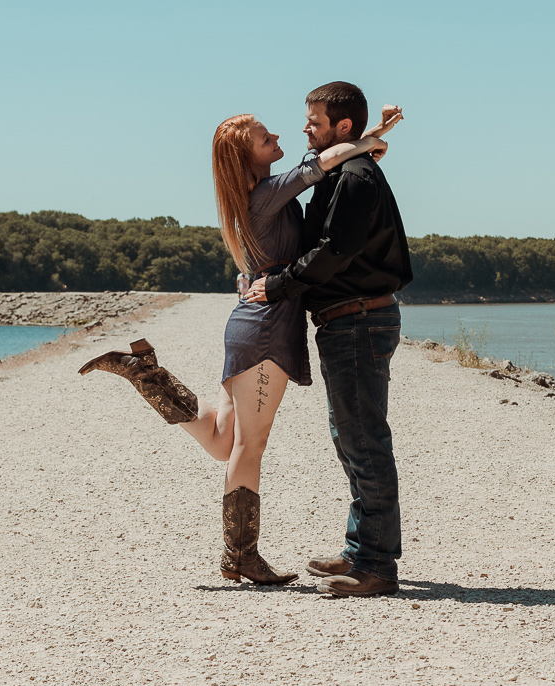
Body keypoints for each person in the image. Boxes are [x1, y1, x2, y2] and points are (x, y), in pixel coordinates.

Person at [80, 100, 402, 585]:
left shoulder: (258, 196)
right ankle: (241, 556)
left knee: (223, 440)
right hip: (267, 329)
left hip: (252, 324)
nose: (277, 137)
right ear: (245, 156)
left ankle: (147, 375)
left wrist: (370, 135)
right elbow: (323, 163)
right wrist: (368, 137)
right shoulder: (267, 193)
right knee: (249, 445)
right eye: (264, 137)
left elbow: (333, 163)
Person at [244, 82, 412, 597]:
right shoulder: (343, 168)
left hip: (359, 320)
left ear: (342, 126)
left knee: (364, 440)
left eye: (313, 121)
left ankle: (377, 567)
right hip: (349, 319)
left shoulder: (357, 177)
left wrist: (277, 286)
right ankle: (363, 548)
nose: (304, 129)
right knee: (352, 437)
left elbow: (334, 251)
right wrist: (373, 135)